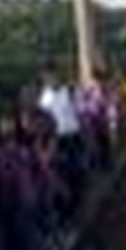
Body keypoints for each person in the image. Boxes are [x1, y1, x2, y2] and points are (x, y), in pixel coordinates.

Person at [38, 71, 86, 215]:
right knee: (59, 174)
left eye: (52, 77)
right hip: (56, 139)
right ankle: (64, 208)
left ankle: (76, 204)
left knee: (75, 171)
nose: (49, 80)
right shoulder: (45, 97)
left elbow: (82, 111)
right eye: (46, 79)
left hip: (73, 136)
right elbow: (43, 118)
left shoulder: (70, 92)